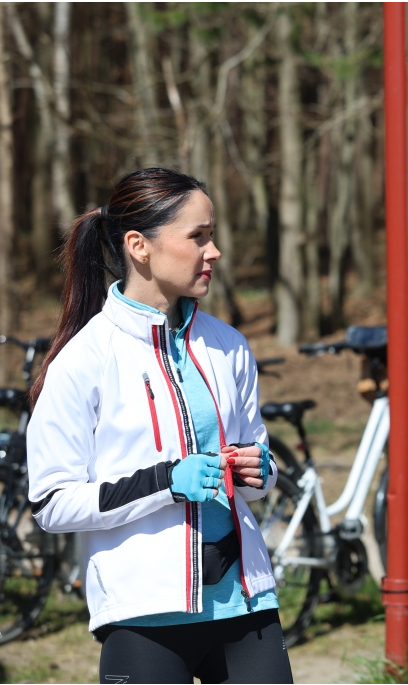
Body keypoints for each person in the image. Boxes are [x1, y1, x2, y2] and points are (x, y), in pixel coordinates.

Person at [28, 168, 293, 682]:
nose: (213, 251)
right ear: (139, 246)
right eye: (198, 236)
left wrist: (262, 471)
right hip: (142, 612)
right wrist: (165, 482)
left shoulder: (230, 346)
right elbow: (51, 502)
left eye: (211, 234)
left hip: (246, 601)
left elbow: (260, 473)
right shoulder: (84, 361)